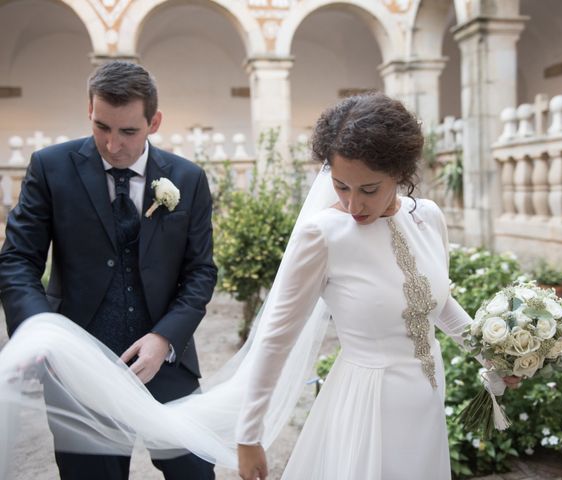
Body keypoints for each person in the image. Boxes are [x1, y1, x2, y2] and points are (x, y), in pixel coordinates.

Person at [235, 92, 519, 479]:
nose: (353, 205)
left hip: (426, 401)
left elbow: (438, 304)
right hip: (366, 407)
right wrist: (249, 435)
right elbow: (276, 338)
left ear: (400, 174)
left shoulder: (429, 218)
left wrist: (491, 356)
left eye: (368, 189)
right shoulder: (322, 236)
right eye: (340, 186)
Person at [0, 60, 217, 480]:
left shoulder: (187, 178)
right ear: (89, 111)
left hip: (165, 363)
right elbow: (17, 260)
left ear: (154, 122)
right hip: (76, 369)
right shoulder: (51, 167)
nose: (112, 145)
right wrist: (39, 333)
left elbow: (200, 273)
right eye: (102, 127)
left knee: (195, 473)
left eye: (128, 131)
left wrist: (164, 338)